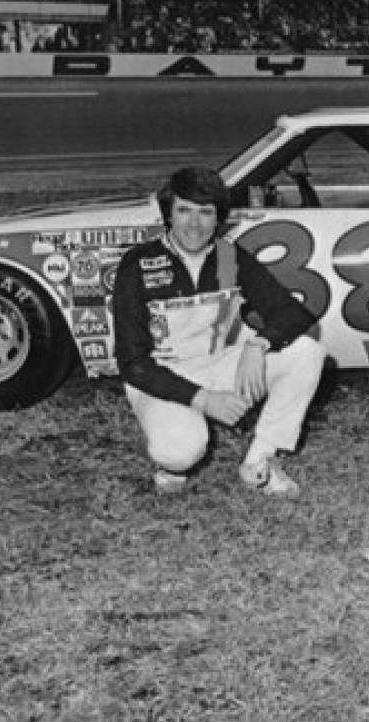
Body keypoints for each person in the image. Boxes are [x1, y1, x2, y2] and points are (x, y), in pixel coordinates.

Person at [112, 166, 325, 496]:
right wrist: (204, 399)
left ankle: (260, 461)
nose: (194, 224)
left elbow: (292, 312)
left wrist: (259, 345)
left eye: (205, 212)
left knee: (307, 352)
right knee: (180, 452)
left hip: (215, 365)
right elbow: (132, 363)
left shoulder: (229, 256)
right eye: (184, 210)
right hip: (158, 375)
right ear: (168, 213)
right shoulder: (139, 263)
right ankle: (172, 467)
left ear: (219, 218)